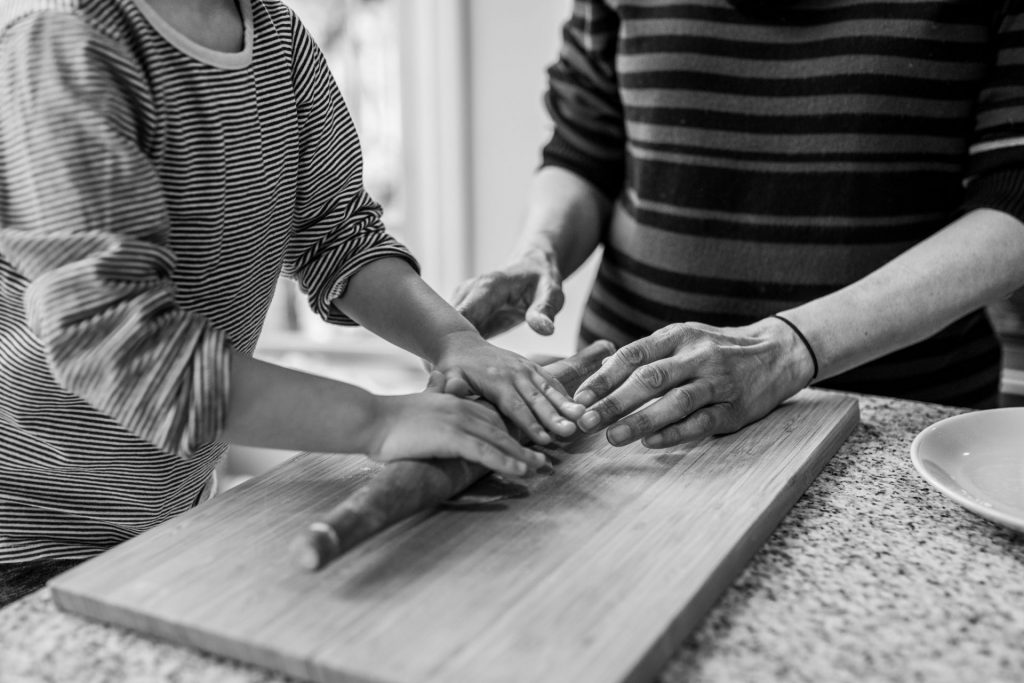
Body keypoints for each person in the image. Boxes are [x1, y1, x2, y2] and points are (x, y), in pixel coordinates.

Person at [0, 0, 585, 605]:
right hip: (29, 533)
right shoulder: (65, 46)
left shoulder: (275, 36)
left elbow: (339, 236)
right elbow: (124, 348)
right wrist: (377, 421)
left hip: (167, 504)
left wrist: (454, 341)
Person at [453, 1, 1024, 450]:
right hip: (634, 402)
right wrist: (541, 249)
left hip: (889, 413)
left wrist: (786, 348)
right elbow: (584, 151)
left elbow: (1013, 198)